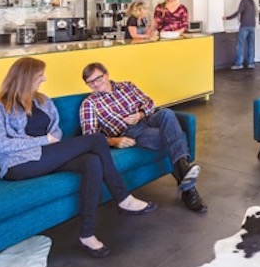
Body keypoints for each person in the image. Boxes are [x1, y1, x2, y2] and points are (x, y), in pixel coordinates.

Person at [0, 57, 156, 259]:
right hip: (19, 164)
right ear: (26, 78)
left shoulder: (43, 100)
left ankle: (87, 234)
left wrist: (50, 140)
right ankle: (122, 197)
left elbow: (56, 132)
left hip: (48, 156)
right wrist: (42, 140)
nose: (44, 79)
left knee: (92, 162)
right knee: (96, 140)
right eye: (40, 76)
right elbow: (0, 145)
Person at [79, 63, 207, 213]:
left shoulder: (126, 85)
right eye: (91, 82)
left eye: (98, 78)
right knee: (171, 136)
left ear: (106, 75)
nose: (95, 84)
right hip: (130, 131)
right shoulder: (89, 104)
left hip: (148, 118)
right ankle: (189, 188)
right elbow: (89, 137)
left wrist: (140, 114)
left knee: (166, 113)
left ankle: (185, 177)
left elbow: (149, 102)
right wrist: (113, 141)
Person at [222, 0, 257, 69]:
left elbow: (238, 12)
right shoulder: (252, 2)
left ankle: (239, 64)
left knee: (240, 45)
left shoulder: (243, 1)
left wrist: (227, 18)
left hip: (244, 25)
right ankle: (250, 63)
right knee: (250, 45)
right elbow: (255, 13)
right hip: (252, 25)